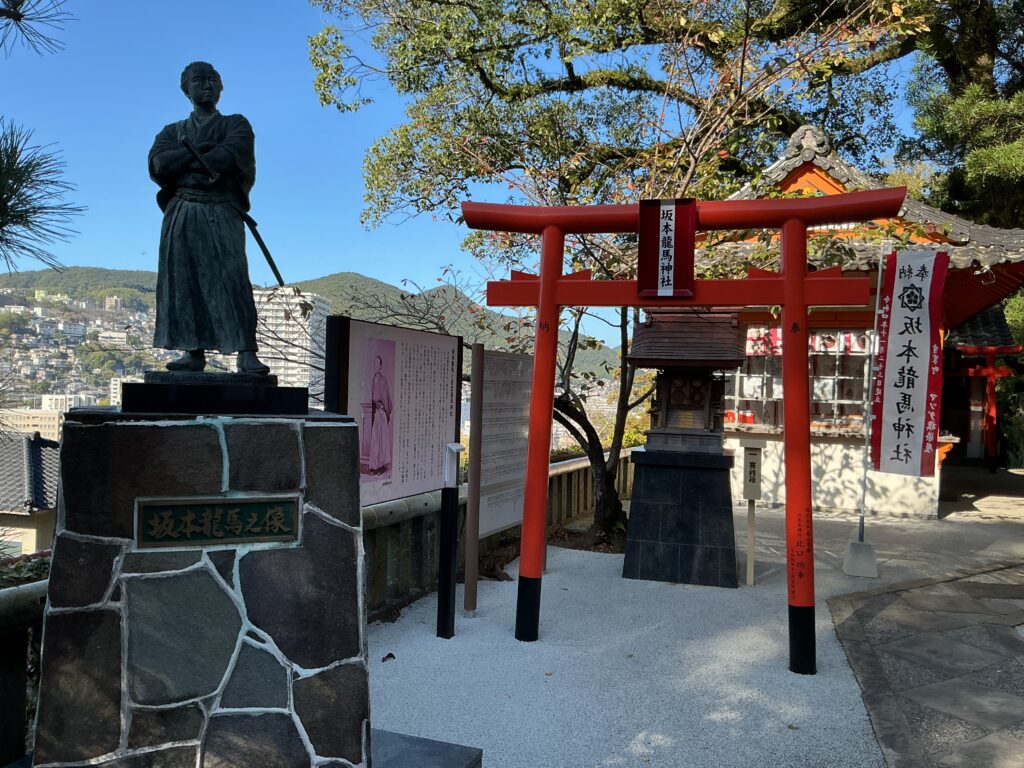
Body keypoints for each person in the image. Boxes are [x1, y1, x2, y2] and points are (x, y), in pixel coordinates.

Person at [148, 61, 269, 374]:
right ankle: (192, 350)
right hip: (183, 211)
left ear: (221, 87)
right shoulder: (171, 132)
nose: (207, 85)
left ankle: (246, 351)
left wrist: (187, 159)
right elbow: (160, 166)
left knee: (232, 278)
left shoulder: (236, 124)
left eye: (213, 79)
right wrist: (198, 153)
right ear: (186, 90)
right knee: (184, 279)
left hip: (222, 208)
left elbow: (231, 157)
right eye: (198, 80)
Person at [368, 355, 393, 474]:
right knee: (375, 440)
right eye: (374, 363)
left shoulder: (383, 380)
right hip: (376, 412)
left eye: (378, 363)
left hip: (382, 412)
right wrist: (375, 403)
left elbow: (386, 397)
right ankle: (374, 465)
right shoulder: (373, 380)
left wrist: (385, 409)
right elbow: (372, 397)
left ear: (381, 366)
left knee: (381, 440)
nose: (376, 366)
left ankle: (381, 465)